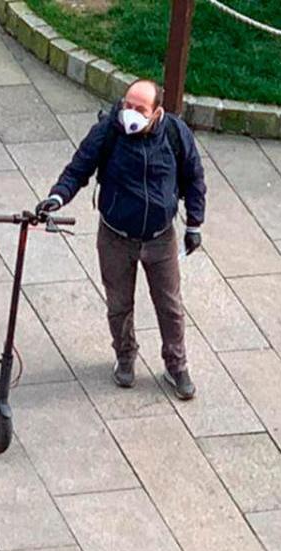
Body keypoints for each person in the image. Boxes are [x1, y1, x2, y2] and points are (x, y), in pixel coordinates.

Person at [37, 79, 206, 400]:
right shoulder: (108, 131)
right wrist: (57, 197)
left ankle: (176, 364)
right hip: (115, 236)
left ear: (156, 113)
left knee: (170, 306)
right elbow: (78, 168)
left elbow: (193, 178)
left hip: (160, 238)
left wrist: (194, 224)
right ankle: (125, 356)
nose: (130, 113)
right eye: (128, 105)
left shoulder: (175, 134)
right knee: (119, 304)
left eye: (139, 109)